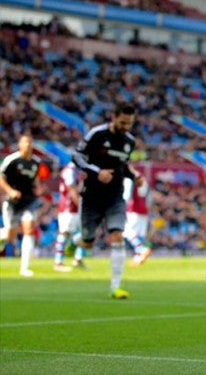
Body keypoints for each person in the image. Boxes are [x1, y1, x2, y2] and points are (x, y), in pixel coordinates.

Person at [70, 102, 144, 298]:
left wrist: (134, 176)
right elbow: (76, 156)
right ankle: (76, 241)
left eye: (129, 123)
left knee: (117, 236)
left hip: (115, 198)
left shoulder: (129, 141)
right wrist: (96, 172)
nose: (126, 127)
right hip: (91, 197)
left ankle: (115, 287)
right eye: (122, 122)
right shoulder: (97, 134)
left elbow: (122, 166)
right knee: (87, 242)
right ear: (114, 117)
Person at [0, 134, 42, 277]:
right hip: (12, 202)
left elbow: (35, 180)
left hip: (29, 201)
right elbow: (1, 177)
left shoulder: (36, 162)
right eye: (25, 142)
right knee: (10, 236)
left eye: (30, 143)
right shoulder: (11, 160)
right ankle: (2, 238)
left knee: (29, 230)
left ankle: (24, 267)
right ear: (20, 145)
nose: (28, 145)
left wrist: (38, 189)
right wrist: (10, 191)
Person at [53, 161, 87, 272]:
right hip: (68, 208)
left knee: (83, 232)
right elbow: (71, 190)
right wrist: (81, 207)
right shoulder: (69, 171)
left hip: (75, 208)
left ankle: (78, 259)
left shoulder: (78, 171)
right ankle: (58, 262)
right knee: (65, 233)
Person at [122, 177, 153, 267]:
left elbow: (127, 195)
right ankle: (137, 259)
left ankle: (142, 249)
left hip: (133, 209)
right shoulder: (143, 179)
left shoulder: (129, 178)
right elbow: (149, 196)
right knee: (140, 235)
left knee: (127, 232)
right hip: (143, 209)